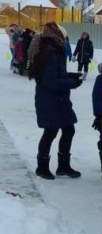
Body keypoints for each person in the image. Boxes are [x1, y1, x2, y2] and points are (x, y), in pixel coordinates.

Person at [29, 22, 82, 180]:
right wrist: (72, 83)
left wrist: (69, 76)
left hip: (59, 100)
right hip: (50, 100)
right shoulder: (49, 53)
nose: (65, 41)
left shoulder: (54, 50)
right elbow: (49, 81)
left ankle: (63, 166)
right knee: (50, 132)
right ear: (58, 37)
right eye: (64, 38)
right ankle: (42, 166)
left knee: (68, 129)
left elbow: (57, 74)